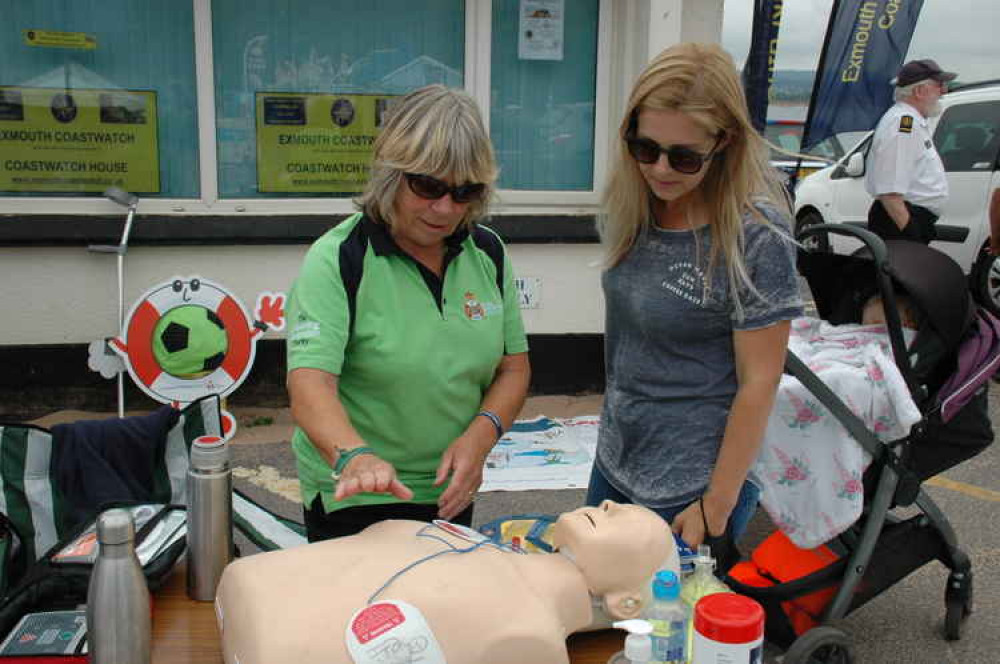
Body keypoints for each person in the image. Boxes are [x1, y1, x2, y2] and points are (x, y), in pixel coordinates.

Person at [285, 85, 531, 542]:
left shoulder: (488, 254)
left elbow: (513, 370)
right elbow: (309, 385)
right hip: (355, 491)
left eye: (464, 192)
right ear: (390, 174)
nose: (445, 209)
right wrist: (354, 457)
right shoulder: (338, 259)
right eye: (428, 186)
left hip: (448, 489)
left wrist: (480, 437)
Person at [588, 43, 803, 559]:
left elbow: (760, 381)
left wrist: (717, 505)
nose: (660, 168)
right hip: (618, 457)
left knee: (667, 636)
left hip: (690, 485)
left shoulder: (756, 238)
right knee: (596, 620)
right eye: (645, 148)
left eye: (683, 156)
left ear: (723, 143)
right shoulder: (635, 209)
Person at [216, 502, 675, 664]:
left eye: (632, 521)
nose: (611, 503)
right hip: (254, 594)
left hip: (265, 633)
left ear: (628, 603)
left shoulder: (530, 640)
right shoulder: (468, 540)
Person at [864, 59, 958, 244]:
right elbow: (890, 191)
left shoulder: (910, 121)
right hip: (899, 221)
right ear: (919, 91)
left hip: (904, 217)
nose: (944, 91)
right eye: (939, 85)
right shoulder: (903, 125)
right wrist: (911, 233)